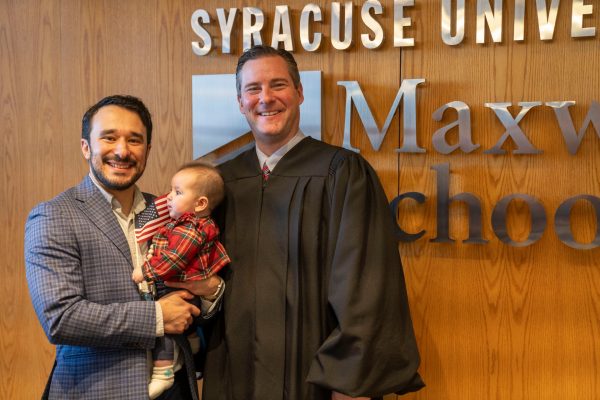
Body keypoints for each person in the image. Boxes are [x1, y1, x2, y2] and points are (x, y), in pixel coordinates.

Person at [180, 45, 425, 399]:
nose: (265, 98)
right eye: (253, 89)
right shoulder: (220, 184)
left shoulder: (342, 172)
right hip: (232, 372)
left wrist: (350, 381)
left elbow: (366, 285)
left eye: (278, 85)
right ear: (239, 101)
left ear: (299, 92)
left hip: (313, 376)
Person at [25, 95, 222, 399]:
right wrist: (157, 317)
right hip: (98, 390)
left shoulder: (169, 212)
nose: (122, 150)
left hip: (178, 388)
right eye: (109, 137)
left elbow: (192, 291)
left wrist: (210, 293)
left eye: (134, 140)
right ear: (85, 146)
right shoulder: (54, 215)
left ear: (147, 150)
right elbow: (61, 318)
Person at [132, 161, 230, 398]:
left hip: (177, 286)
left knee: (165, 324)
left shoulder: (190, 228)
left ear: (200, 203)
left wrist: (145, 272)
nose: (168, 197)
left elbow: (173, 259)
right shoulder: (185, 223)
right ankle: (193, 341)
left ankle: (163, 371)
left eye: (177, 192)